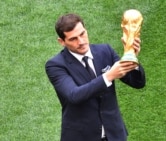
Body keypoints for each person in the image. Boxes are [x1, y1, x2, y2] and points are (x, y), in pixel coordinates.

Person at [45, 13, 146, 141]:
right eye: (73, 39)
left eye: (82, 34)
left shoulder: (105, 51)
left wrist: (132, 56)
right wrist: (108, 76)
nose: (81, 42)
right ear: (62, 42)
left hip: (114, 136)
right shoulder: (56, 65)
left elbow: (137, 83)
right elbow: (74, 95)